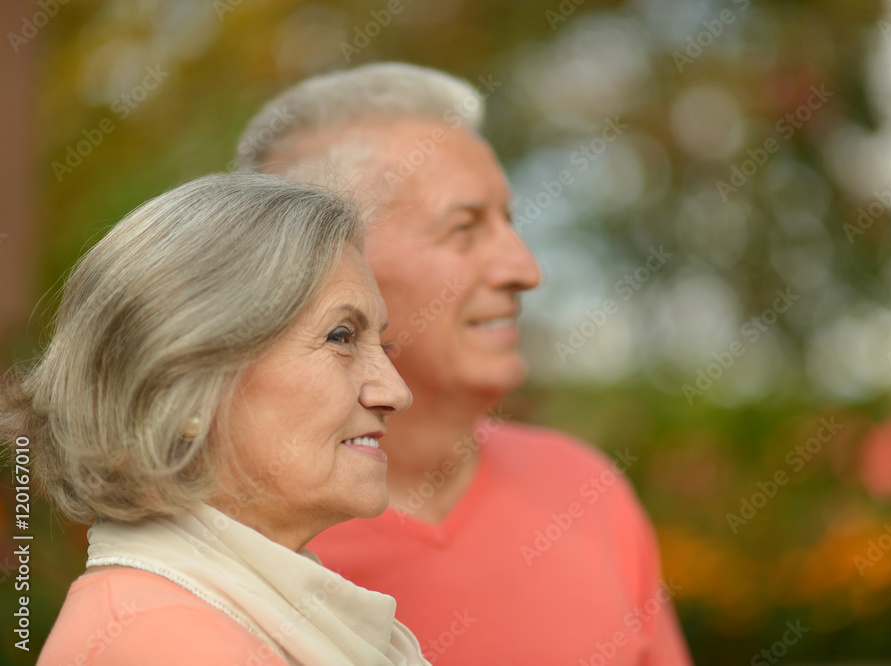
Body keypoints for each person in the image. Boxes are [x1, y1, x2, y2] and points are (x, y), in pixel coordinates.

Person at [235, 63, 693, 665]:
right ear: (331, 266)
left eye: (509, 222)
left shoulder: (583, 491)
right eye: (464, 227)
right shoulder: (229, 544)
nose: (525, 269)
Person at [0, 173, 430, 665]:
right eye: (340, 336)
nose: (395, 391)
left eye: (384, 343)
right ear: (179, 386)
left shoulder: (208, 617)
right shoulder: (164, 642)